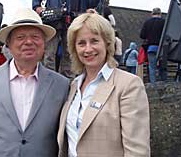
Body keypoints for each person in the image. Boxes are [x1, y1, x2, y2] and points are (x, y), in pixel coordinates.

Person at [0, 8, 69, 157]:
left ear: (44, 43)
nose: (29, 42)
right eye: (20, 37)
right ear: (8, 44)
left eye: (35, 36)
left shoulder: (62, 85)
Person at [58, 13, 150, 157]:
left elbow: (137, 151)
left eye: (94, 41)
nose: (88, 49)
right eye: (81, 43)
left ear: (107, 43)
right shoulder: (73, 86)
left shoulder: (129, 85)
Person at [32, 0, 106, 78]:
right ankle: (47, 79)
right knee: (49, 53)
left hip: (72, 24)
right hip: (54, 22)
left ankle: (67, 82)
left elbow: (89, 3)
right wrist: (37, 7)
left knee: (70, 54)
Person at [140, 7, 167, 83]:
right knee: (163, 67)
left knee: (152, 68)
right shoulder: (164, 22)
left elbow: (142, 35)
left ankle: (153, 85)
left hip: (151, 48)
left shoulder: (147, 22)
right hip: (162, 48)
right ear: (160, 14)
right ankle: (164, 84)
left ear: (152, 14)